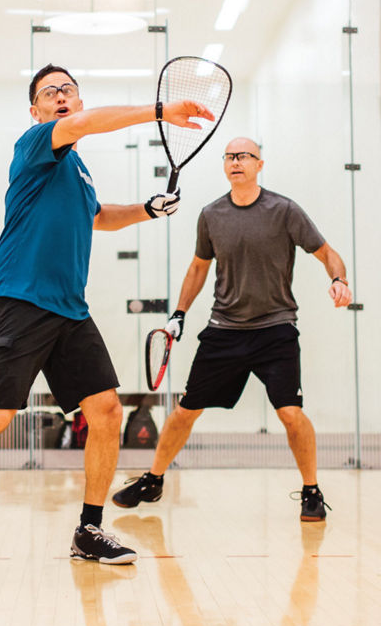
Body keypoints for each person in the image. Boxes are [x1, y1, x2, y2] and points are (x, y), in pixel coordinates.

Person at [0, 64, 215, 571]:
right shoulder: (35, 143)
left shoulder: (78, 170)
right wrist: (160, 112)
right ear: (36, 110)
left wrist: (148, 208)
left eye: (69, 89)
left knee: (107, 411)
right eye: (51, 92)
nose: (62, 96)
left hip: (70, 309)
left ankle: (89, 530)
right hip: (20, 301)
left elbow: (97, 218)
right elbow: (89, 124)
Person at [112, 137, 352, 521]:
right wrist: (179, 314)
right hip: (224, 330)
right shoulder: (211, 215)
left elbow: (326, 252)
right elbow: (198, 269)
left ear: (260, 164)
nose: (235, 162)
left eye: (244, 156)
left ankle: (311, 490)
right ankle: (153, 480)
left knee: (290, 413)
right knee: (185, 411)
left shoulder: (285, 210)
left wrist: (338, 278)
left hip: (276, 330)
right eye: (229, 156)